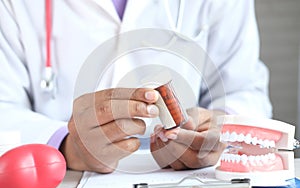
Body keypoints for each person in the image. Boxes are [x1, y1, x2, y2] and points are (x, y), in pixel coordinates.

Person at [0, 0, 272, 173]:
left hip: (192, 182)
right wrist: (67, 146)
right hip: (63, 181)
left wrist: (220, 131)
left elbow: (245, 89)